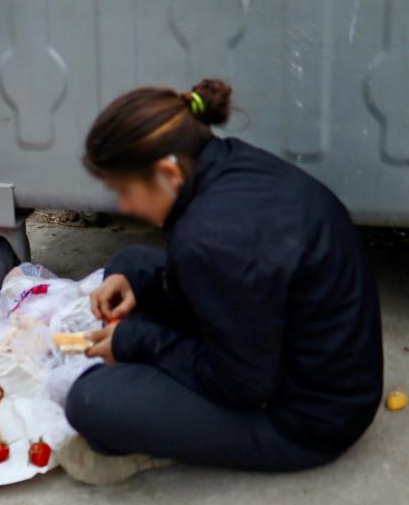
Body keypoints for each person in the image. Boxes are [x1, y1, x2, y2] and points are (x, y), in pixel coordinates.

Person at [57, 79, 383, 484]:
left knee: (92, 401)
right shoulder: (229, 162)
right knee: (130, 263)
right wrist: (135, 288)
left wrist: (136, 342)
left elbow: (244, 387)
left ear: (167, 172)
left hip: (306, 419)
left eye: (126, 191)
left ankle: (158, 442)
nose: (124, 206)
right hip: (305, 355)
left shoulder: (207, 241)